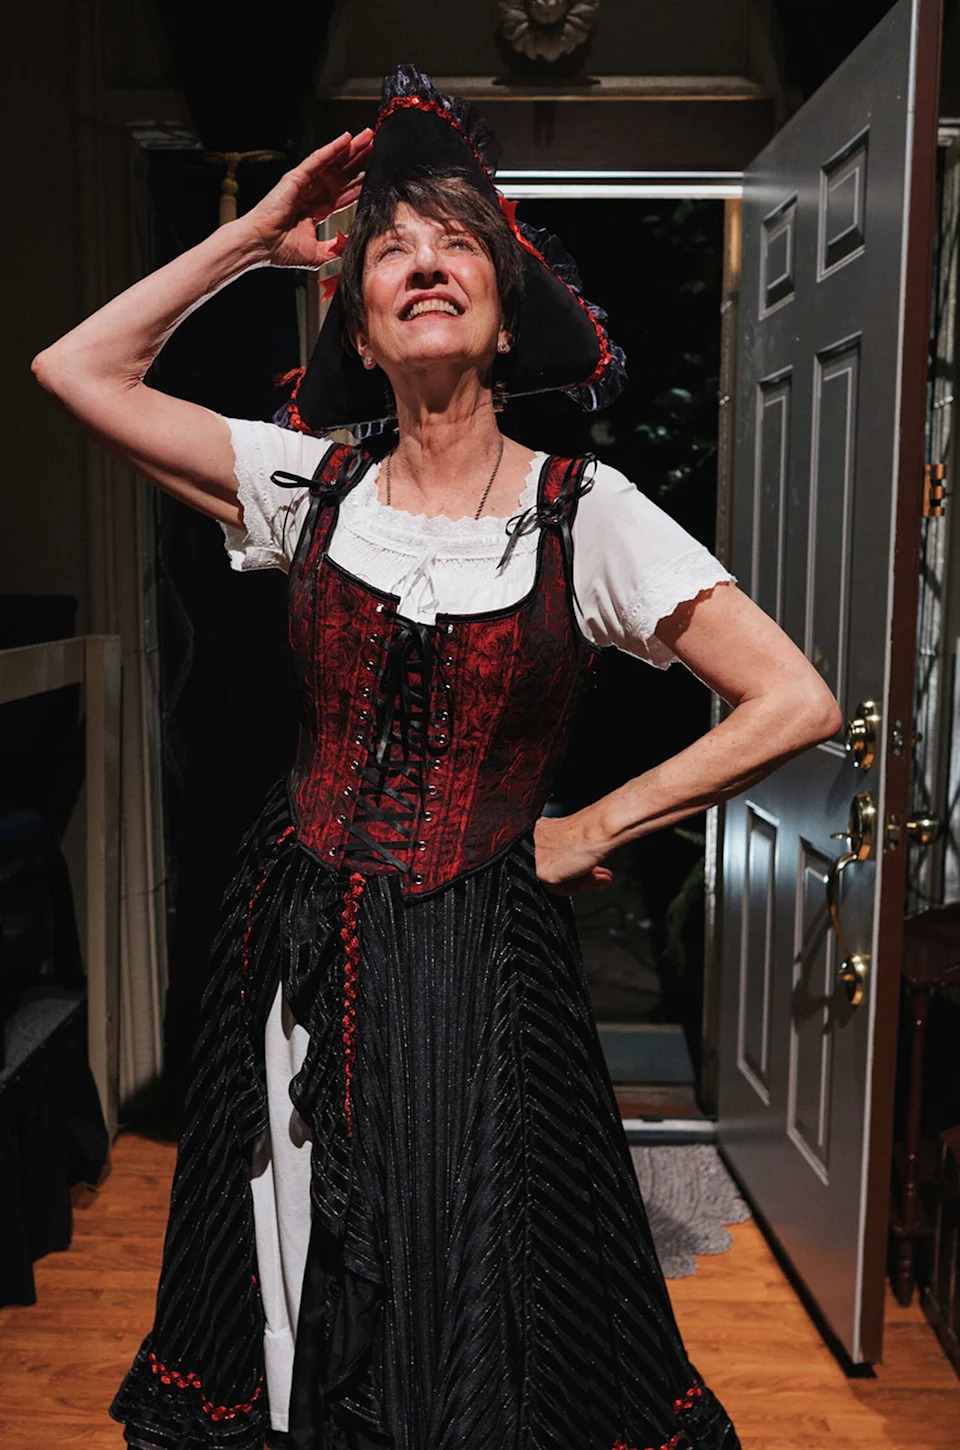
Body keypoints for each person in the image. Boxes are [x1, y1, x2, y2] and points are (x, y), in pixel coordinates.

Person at [32, 63, 840, 1450]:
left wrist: (588, 828)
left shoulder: (585, 511)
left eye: (455, 240)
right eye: (390, 246)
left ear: (505, 305)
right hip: (293, 943)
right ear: (352, 307)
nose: (420, 261)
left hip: (480, 967)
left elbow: (793, 698)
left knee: (480, 1278)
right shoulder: (310, 483)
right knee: (293, 1256)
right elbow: (74, 369)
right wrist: (252, 237)